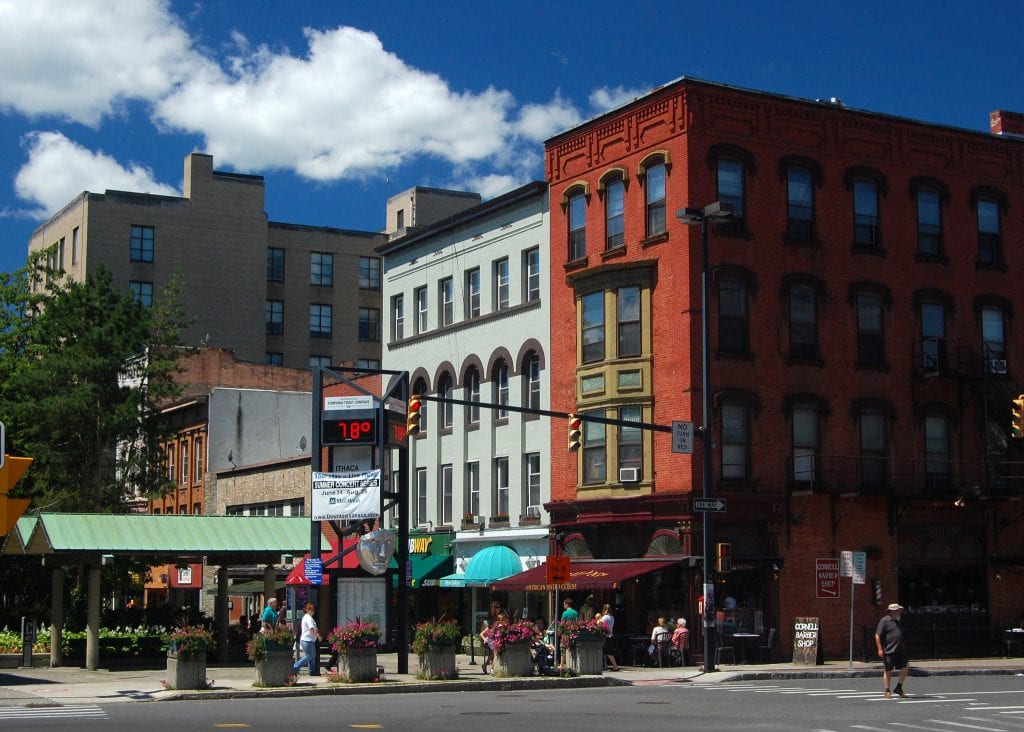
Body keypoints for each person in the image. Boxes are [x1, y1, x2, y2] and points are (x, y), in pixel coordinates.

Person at [875, 602, 910, 698]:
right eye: (898, 610)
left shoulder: (898, 620)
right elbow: (877, 635)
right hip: (889, 650)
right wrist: (880, 649)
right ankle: (887, 690)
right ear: (893, 611)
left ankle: (899, 687)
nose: (900, 612)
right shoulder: (884, 620)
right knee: (888, 670)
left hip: (900, 649)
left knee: (906, 667)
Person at [292, 602, 320, 675]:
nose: (312, 610)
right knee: (309, 655)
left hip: (308, 640)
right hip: (307, 640)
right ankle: (295, 667)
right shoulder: (308, 618)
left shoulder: (308, 617)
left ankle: (312, 671)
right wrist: (318, 635)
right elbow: (311, 628)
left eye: (313, 609)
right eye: (310, 609)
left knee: (312, 656)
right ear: (307, 610)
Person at [599, 604, 619, 671]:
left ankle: (614, 666)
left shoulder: (604, 617)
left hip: (606, 636)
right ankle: (614, 666)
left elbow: (600, 624)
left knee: (605, 651)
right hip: (611, 635)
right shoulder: (612, 617)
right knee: (609, 652)